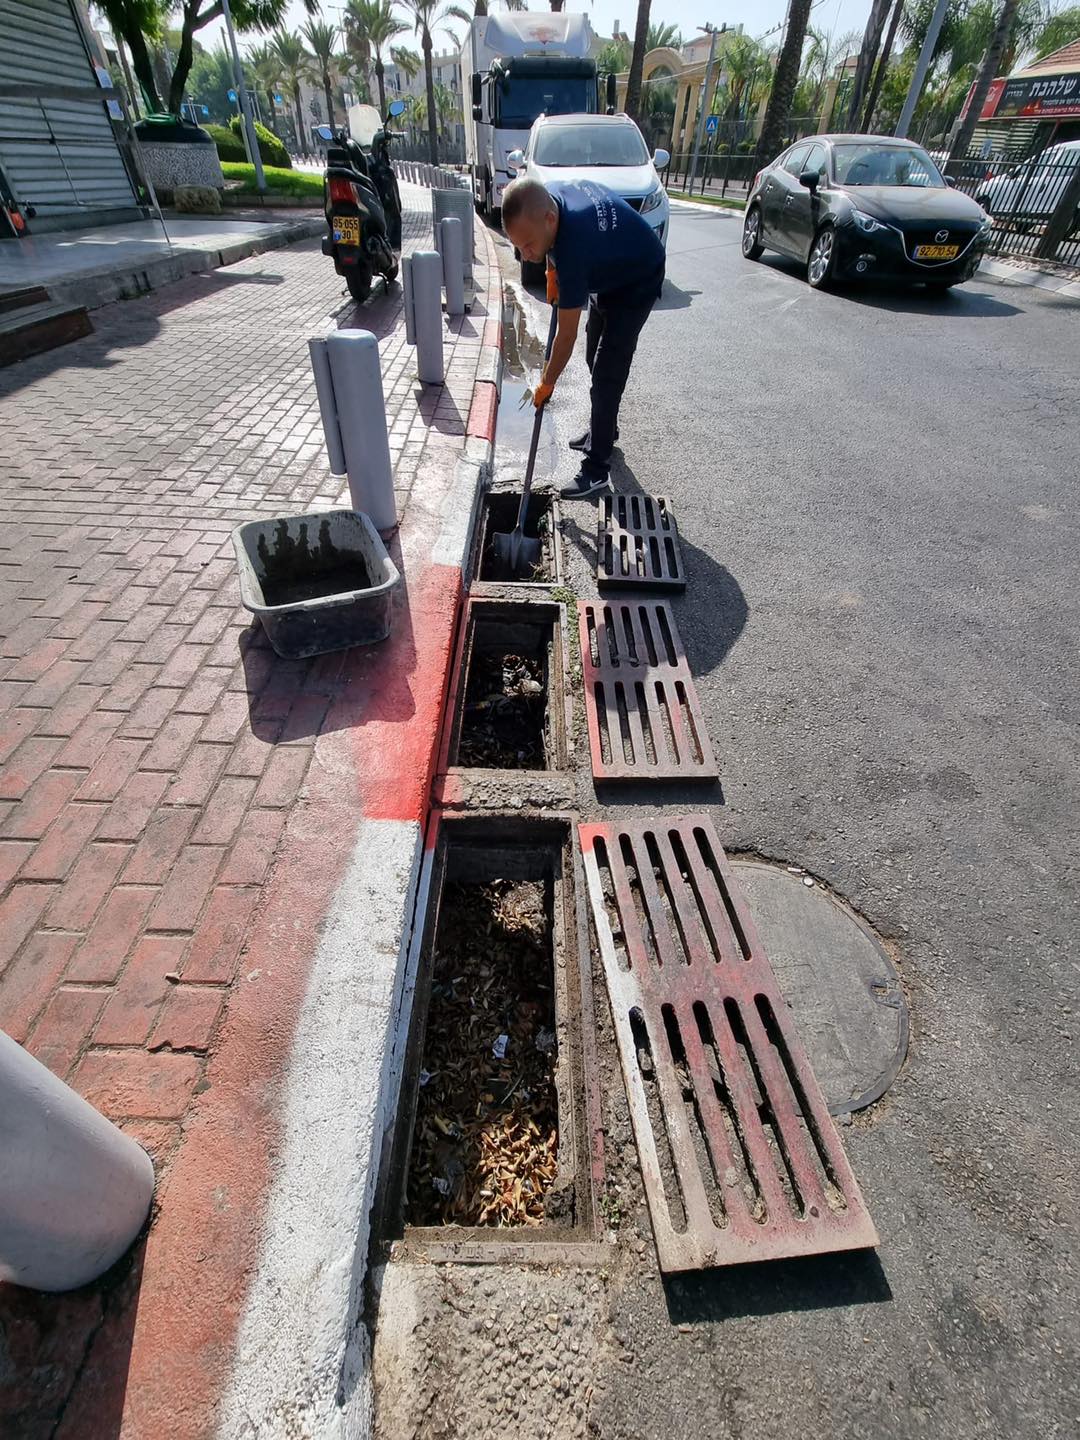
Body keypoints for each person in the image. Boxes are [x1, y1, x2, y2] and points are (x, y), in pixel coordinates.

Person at [501, 176, 665, 500]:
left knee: (607, 373)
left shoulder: (573, 248)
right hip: (610, 269)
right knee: (592, 354)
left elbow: (565, 336)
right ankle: (605, 430)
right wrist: (550, 269)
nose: (525, 254)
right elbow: (551, 245)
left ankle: (596, 468)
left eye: (529, 244)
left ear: (549, 220)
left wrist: (547, 382)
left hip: (638, 278)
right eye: (518, 247)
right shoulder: (551, 200)